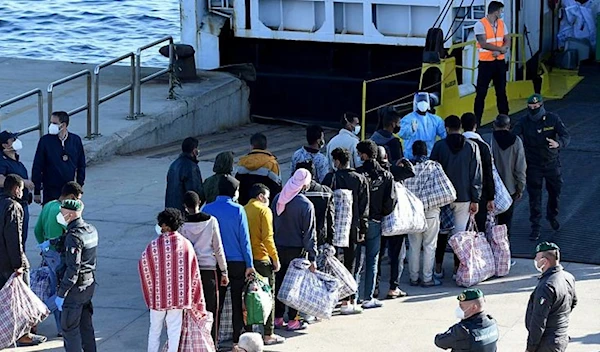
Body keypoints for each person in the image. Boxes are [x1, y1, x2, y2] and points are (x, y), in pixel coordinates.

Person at [139, 208, 205, 352]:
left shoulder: (153, 246)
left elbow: (144, 267)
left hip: (158, 297)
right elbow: (194, 273)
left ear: (165, 226)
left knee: (154, 330)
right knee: (174, 332)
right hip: (179, 298)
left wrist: (151, 290)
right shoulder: (186, 245)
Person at [204, 175, 256, 344]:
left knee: (215, 305)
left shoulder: (208, 209)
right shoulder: (238, 209)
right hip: (237, 262)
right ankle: (236, 341)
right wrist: (249, 264)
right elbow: (245, 240)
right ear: (234, 191)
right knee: (237, 302)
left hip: (215, 263)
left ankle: (213, 340)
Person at [513, 94, 570, 241]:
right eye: (530, 107)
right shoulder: (524, 122)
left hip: (551, 163)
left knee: (555, 192)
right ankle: (535, 226)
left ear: (541, 106)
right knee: (534, 197)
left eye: (536, 107)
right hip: (533, 165)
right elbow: (513, 136)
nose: (533, 110)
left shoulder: (553, 119)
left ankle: (552, 216)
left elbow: (565, 136)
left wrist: (559, 144)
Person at [431, 115, 482, 278]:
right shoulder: (472, 146)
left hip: (442, 198)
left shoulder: (439, 146)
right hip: (464, 197)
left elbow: (432, 172)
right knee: (460, 235)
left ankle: (438, 268)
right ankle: (456, 268)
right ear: (461, 127)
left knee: (441, 233)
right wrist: (476, 198)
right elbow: (476, 175)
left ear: (446, 128)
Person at [0, 174, 46, 347]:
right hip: (9, 262)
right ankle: (23, 335)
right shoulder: (13, 207)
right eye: (21, 189)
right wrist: (18, 265)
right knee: (21, 299)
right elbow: (14, 238)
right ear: (16, 189)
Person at [322, 148, 369, 315]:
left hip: (333, 228)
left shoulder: (330, 178)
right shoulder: (360, 179)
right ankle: (348, 300)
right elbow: (364, 207)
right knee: (351, 264)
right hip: (353, 228)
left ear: (336, 161)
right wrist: (363, 229)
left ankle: (330, 297)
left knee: (332, 264)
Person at [34, 181, 84, 336]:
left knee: (52, 289)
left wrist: (45, 246)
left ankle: (56, 325)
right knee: (60, 292)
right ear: (70, 197)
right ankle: (59, 326)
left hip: (48, 254)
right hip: (60, 256)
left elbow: (37, 230)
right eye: (77, 199)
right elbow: (72, 232)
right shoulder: (63, 212)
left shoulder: (48, 206)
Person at [271, 169, 317, 330]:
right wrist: (312, 257)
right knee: (294, 285)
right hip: (296, 251)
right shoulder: (306, 205)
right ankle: (293, 320)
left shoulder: (278, 198)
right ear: (305, 185)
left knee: (279, 282)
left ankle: (277, 318)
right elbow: (309, 234)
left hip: (277, 248)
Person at [180, 190, 228, 343]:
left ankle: (194, 343)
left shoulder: (182, 225)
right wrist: (224, 271)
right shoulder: (211, 221)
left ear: (185, 206)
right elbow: (218, 249)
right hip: (209, 271)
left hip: (190, 272)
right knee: (211, 310)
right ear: (199, 202)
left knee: (191, 311)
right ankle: (212, 343)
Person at [243, 183, 285, 345]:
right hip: (262, 259)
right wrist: (275, 258)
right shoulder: (264, 210)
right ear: (261, 196)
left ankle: (248, 333)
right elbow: (268, 237)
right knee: (267, 295)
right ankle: (268, 334)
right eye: (267, 197)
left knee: (247, 297)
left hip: (246, 260)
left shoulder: (243, 210)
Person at [355, 140, 396, 307]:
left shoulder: (357, 174)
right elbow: (391, 202)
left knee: (357, 261)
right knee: (372, 259)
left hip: (357, 222)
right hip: (376, 221)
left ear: (364, 155)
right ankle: (368, 297)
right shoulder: (386, 176)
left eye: (359, 154)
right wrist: (379, 213)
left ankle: (353, 296)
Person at [54, 199, 98, 352]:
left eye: (62, 213)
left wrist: (61, 293)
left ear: (71, 214)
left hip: (74, 290)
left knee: (70, 329)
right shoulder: (91, 229)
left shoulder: (74, 236)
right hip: (88, 285)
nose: (60, 215)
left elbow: (73, 269)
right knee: (86, 327)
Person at [404, 141, 443, 287]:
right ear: (426, 152)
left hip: (413, 213)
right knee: (429, 246)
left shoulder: (408, 168)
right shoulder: (434, 167)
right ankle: (427, 278)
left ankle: (413, 277)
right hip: (432, 211)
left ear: (413, 152)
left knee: (414, 246)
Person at [526, 242, 577, 352]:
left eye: (537, 257)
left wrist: (530, 348)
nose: (535, 259)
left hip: (546, 344)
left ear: (544, 261)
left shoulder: (546, 286)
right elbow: (573, 302)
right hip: (560, 338)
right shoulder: (569, 277)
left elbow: (538, 321)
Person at [32, 111, 86, 205]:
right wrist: (37, 191)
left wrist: (79, 185)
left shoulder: (75, 140)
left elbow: (81, 164)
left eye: (54, 123)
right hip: (50, 190)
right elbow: (37, 165)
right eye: (51, 123)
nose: (51, 126)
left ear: (63, 125)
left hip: (69, 189)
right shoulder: (45, 141)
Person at [488, 114, 526, 237]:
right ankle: (504, 250)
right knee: (505, 226)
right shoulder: (517, 141)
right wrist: (520, 187)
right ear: (509, 126)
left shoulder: (487, 139)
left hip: (490, 189)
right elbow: (520, 167)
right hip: (509, 190)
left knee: (488, 225)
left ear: (494, 125)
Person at [473, 1, 510, 126]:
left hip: (499, 62)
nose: (501, 13)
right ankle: (477, 121)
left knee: (501, 92)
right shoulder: (480, 25)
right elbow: (483, 43)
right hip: (486, 64)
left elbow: (507, 39)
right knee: (481, 93)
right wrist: (499, 50)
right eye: (501, 11)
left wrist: (502, 49)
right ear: (496, 12)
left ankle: (505, 119)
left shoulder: (501, 24)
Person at [461, 113, 495, 231]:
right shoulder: (484, 146)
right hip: (482, 194)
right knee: (479, 229)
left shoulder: (457, 145)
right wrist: (491, 197)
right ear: (475, 126)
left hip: (460, 194)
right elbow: (489, 173)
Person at [434, 289, 499, 351]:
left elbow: (440, 341)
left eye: (461, 306)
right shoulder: (492, 323)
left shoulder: (463, 331)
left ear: (474, 307)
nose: (459, 309)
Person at [0, 131, 34, 247]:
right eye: (13, 139)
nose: (16, 141)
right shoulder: (2, 161)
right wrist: (23, 182)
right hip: (11, 207)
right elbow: (1, 180)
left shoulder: (16, 160)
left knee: (21, 239)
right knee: (14, 240)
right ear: (5, 145)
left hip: (23, 203)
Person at [296, 162, 335, 248]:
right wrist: (331, 240)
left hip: (297, 240)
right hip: (320, 237)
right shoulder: (326, 192)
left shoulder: (290, 194)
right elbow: (330, 217)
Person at [236, 133, 282, 206]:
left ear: (251, 146)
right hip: (265, 206)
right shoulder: (271, 164)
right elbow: (277, 188)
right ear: (266, 146)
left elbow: (237, 185)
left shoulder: (242, 162)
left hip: (245, 206)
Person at [400, 92, 447, 160]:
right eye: (420, 100)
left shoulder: (436, 120)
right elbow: (402, 134)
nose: (422, 102)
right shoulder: (408, 119)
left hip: (430, 157)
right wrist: (411, 130)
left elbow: (444, 134)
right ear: (415, 102)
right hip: (412, 158)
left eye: (424, 100)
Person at [165, 137, 204, 212]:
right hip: (184, 211)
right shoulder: (191, 167)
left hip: (171, 209)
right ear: (194, 150)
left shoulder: (174, 164)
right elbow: (194, 192)